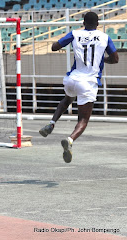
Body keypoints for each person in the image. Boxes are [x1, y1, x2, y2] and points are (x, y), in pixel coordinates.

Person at [39, 11, 119, 163]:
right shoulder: (104, 37)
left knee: (67, 99)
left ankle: (51, 124)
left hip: (72, 78)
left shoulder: (75, 33)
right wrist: (103, 60)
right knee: (83, 119)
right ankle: (70, 140)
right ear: (98, 24)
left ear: (83, 23)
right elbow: (115, 59)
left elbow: (54, 47)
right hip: (88, 82)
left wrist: (66, 42)